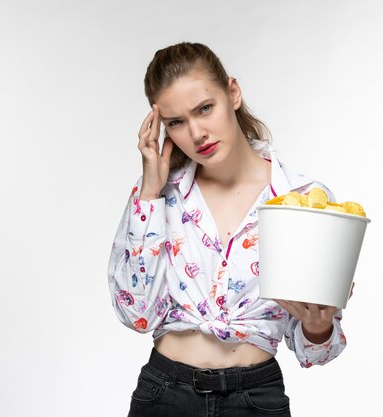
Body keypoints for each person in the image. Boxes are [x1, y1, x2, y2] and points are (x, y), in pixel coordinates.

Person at [107, 42, 352, 417]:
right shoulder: (158, 197)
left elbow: (316, 352)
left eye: (205, 109)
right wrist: (151, 191)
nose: (197, 133)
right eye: (176, 122)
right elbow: (137, 315)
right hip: (165, 395)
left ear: (232, 93)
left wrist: (317, 327)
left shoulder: (302, 200)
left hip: (255, 398)